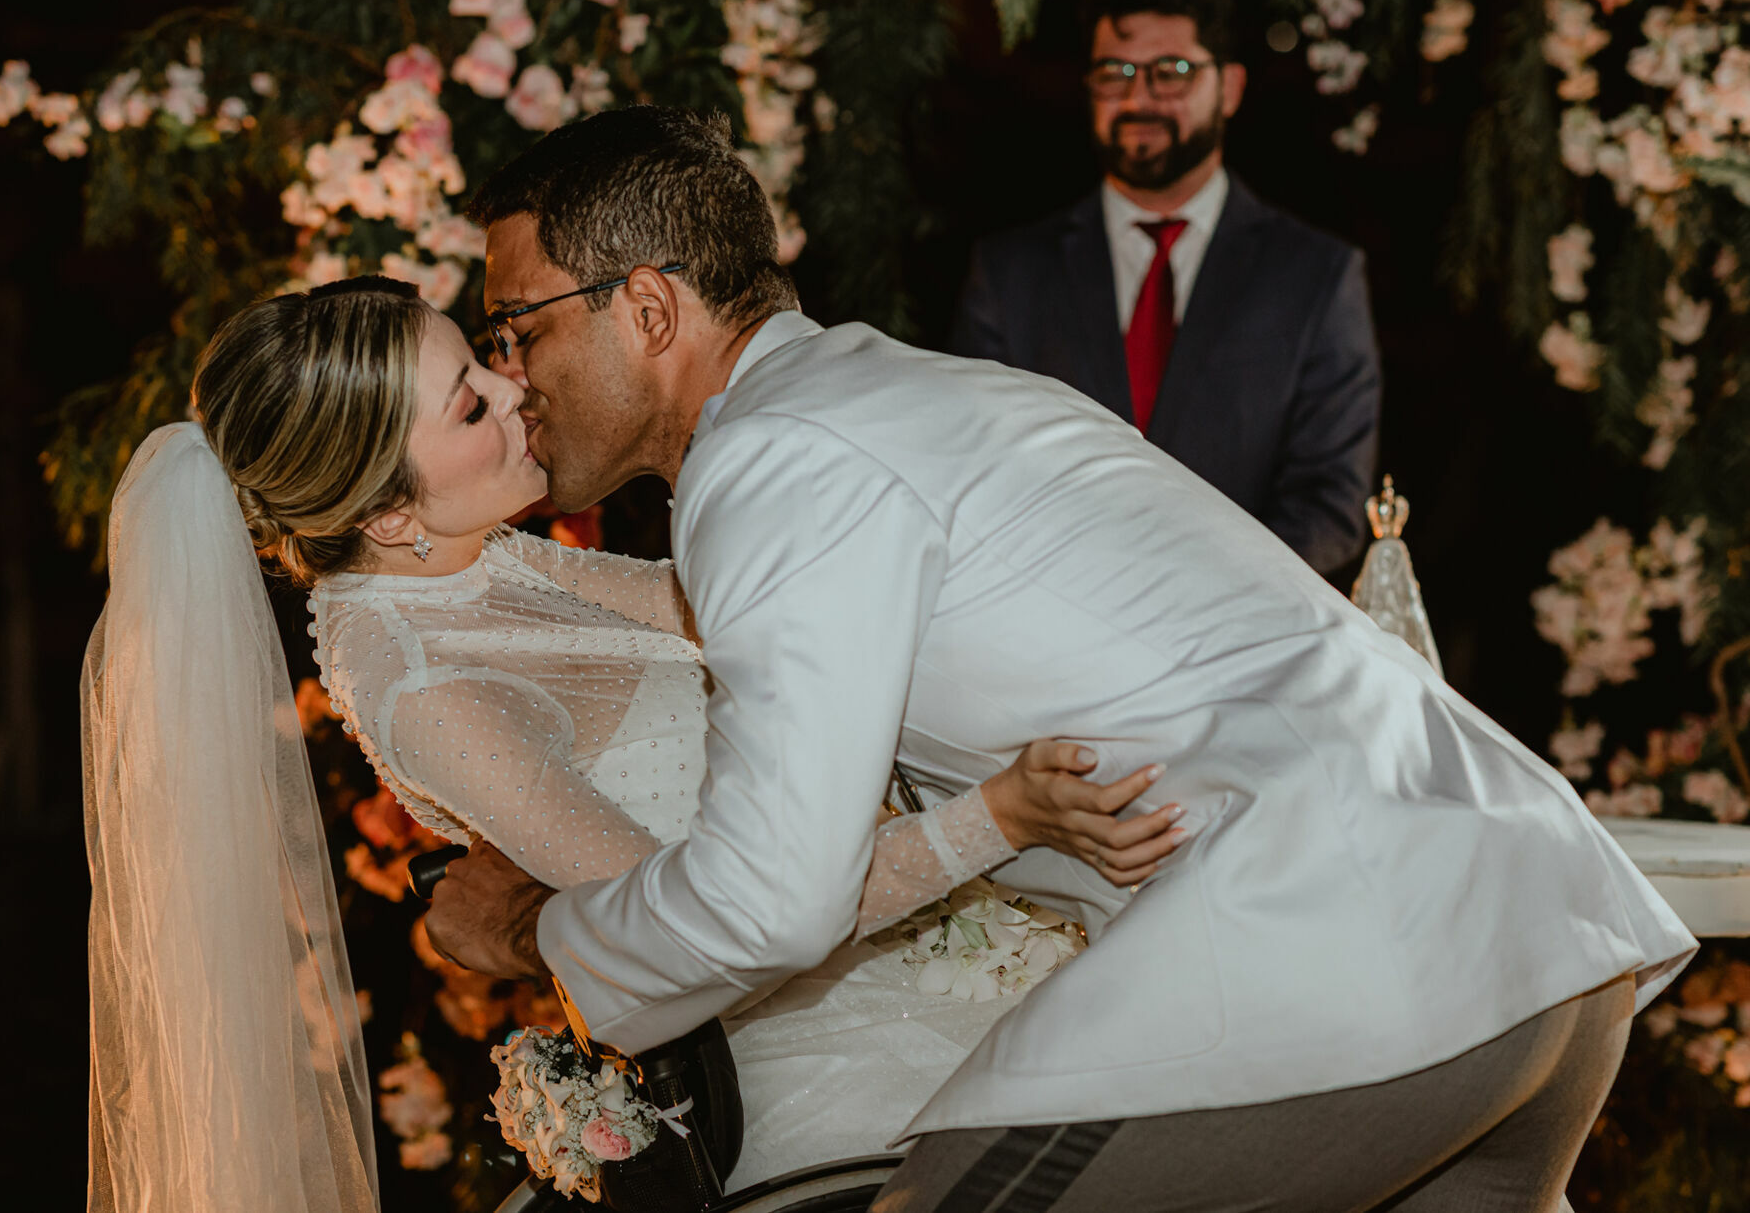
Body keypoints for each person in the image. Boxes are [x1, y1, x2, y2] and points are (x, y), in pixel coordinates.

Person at [427, 104, 1695, 1211]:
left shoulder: (776, 460)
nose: (508, 370)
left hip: (1345, 958)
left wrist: (538, 927)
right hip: (1527, 931)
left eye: (518, 327)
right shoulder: (904, 399)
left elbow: (775, 895)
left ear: (647, 307)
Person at [81, 274, 1183, 1208]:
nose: (518, 391)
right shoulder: (430, 690)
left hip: (932, 950)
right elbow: (701, 929)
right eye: (471, 405)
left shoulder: (484, 562)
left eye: (490, 364)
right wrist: (997, 817)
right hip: (847, 1070)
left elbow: (729, 607)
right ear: (389, 518)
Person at [949, 0, 1381, 577]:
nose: (1137, 99)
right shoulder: (1009, 272)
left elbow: (1331, 503)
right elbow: (976, 474)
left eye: (1170, 72)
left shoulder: (1317, 275)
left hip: (1244, 640)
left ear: (1229, 88)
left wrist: (1197, 602)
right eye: (1114, 73)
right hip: (1054, 631)